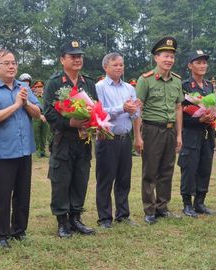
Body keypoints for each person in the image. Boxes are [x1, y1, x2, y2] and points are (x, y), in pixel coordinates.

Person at [0, 49, 41, 249]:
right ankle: (0, 234)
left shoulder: (23, 87)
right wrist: (16, 105)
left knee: (23, 194)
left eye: (14, 62)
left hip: (24, 150)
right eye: (6, 63)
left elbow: (37, 111)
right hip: (2, 152)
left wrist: (25, 103)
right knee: (1, 196)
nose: (12, 66)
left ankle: (19, 230)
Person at [43, 39, 97, 238]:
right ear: (62, 59)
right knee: (61, 180)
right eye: (72, 56)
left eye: (80, 56)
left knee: (80, 178)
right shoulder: (55, 82)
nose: (77, 59)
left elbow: (95, 107)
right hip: (63, 139)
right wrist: (69, 123)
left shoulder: (88, 82)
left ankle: (76, 218)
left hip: (83, 140)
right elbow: (48, 111)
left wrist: (93, 123)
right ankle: (62, 221)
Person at [134, 36, 184, 225]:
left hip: (170, 131)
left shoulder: (177, 81)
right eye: (165, 56)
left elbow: (178, 107)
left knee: (167, 170)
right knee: (150, 171)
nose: (169, 60)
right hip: (152, 130)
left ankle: (163, 207)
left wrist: (179, 134)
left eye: (172, 56)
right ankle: (149, 210)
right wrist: (138, 136)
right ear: (156, 58)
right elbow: (138, 108)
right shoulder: (145, 80)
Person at [95, 52, 142, 228]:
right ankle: (105, 218)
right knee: (106, 179)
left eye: (121, 64)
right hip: (107, 138)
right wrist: (121, 108)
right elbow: (99, 112)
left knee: (124, 178)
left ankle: (123, 214)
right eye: (115, 65)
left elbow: (136, 114)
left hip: (125, 138)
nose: (119, 68)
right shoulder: (99, 87)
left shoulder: (129, 88)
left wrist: (135, 110)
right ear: (106, 67)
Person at [178, 50, 216, 217]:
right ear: (190, 65)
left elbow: (215, 106)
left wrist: (215, 117)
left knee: (205, 166)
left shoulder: (209, 85)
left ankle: (200, 202)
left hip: (208, 133)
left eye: (204, 62)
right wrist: (199, 120)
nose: (203, 65)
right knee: (189, 167)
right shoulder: (185, 86)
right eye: (198, 62)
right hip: (191, 132)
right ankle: (187, 204)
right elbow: (181, 113)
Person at [32, 80, 49, 157]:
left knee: (44, 134)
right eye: (37, 87)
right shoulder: (32, 97)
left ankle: (43, 151)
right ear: (34, 88)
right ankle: (37, 151)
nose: (39, 88)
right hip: (36, 118)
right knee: (36, 135)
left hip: (45, 117)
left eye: (41, 86)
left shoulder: (46, 96)